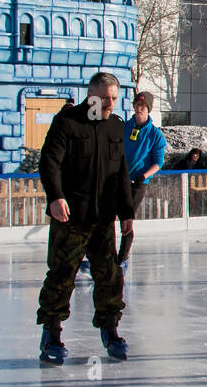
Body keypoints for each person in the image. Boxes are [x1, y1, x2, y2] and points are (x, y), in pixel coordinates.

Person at [35, 72, 134, 364]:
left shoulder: (116, 127)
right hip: (71, 216)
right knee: (62, 275)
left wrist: (127, 211)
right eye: (104, 98)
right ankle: (51, 333)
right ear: (91, 95)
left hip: (103, 218)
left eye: (114, 99)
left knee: (110, 275)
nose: (110, 104)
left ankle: (110, 327)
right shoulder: (68, 122)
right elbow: (49, 162)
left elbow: (121, 173)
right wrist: (55, 196)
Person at [116, 90, 166, 271]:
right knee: (106, 215)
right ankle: (101, 255)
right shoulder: (125, 127)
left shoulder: (155, 135)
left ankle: (122, 258)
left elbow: (158, 162)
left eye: (143, 107)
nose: (139, 109)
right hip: (119, 179)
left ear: (149, 110)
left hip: (138, 184)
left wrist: (143, 176)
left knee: (126, 219)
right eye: (137, 106)